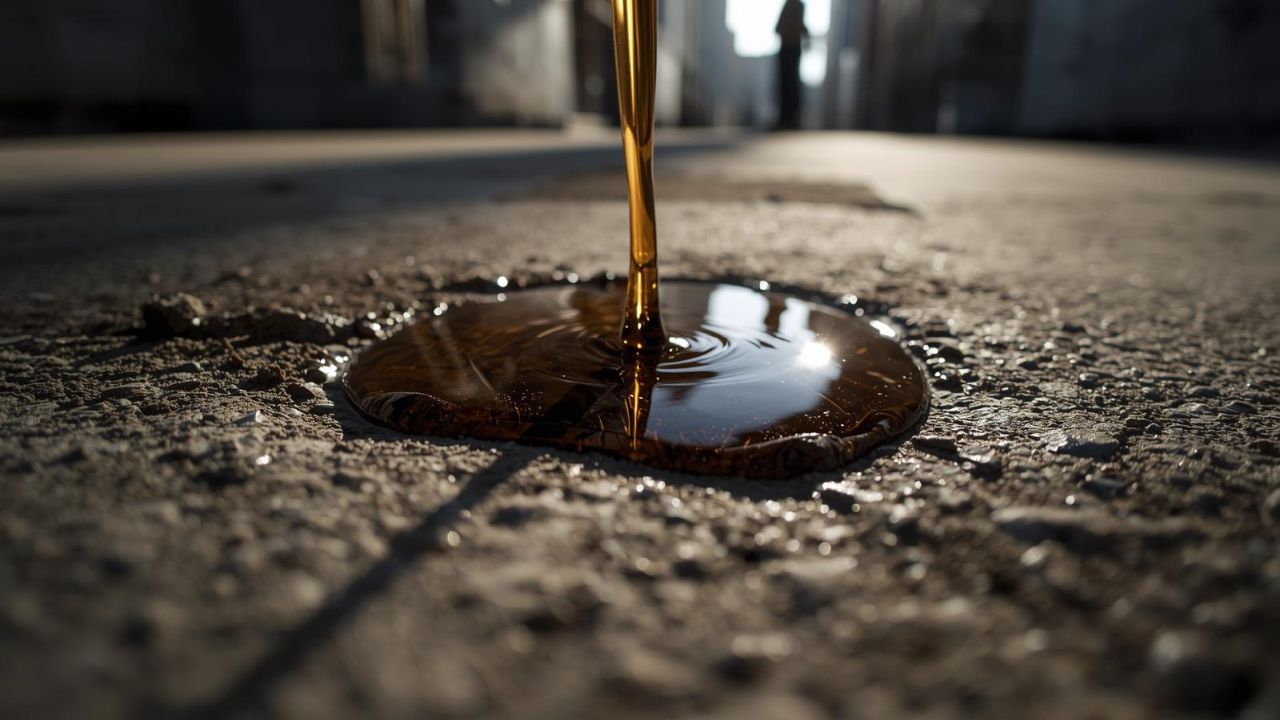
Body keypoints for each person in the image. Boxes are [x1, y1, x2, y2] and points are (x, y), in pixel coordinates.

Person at [775, 0, 809, 130]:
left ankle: (790, 119)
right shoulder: (793, 4)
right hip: (788, 47)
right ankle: (786, 118)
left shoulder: (796, 5)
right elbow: (778, 28)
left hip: (791, 48)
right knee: (786, 85)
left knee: (790, 85)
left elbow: (779, 28)